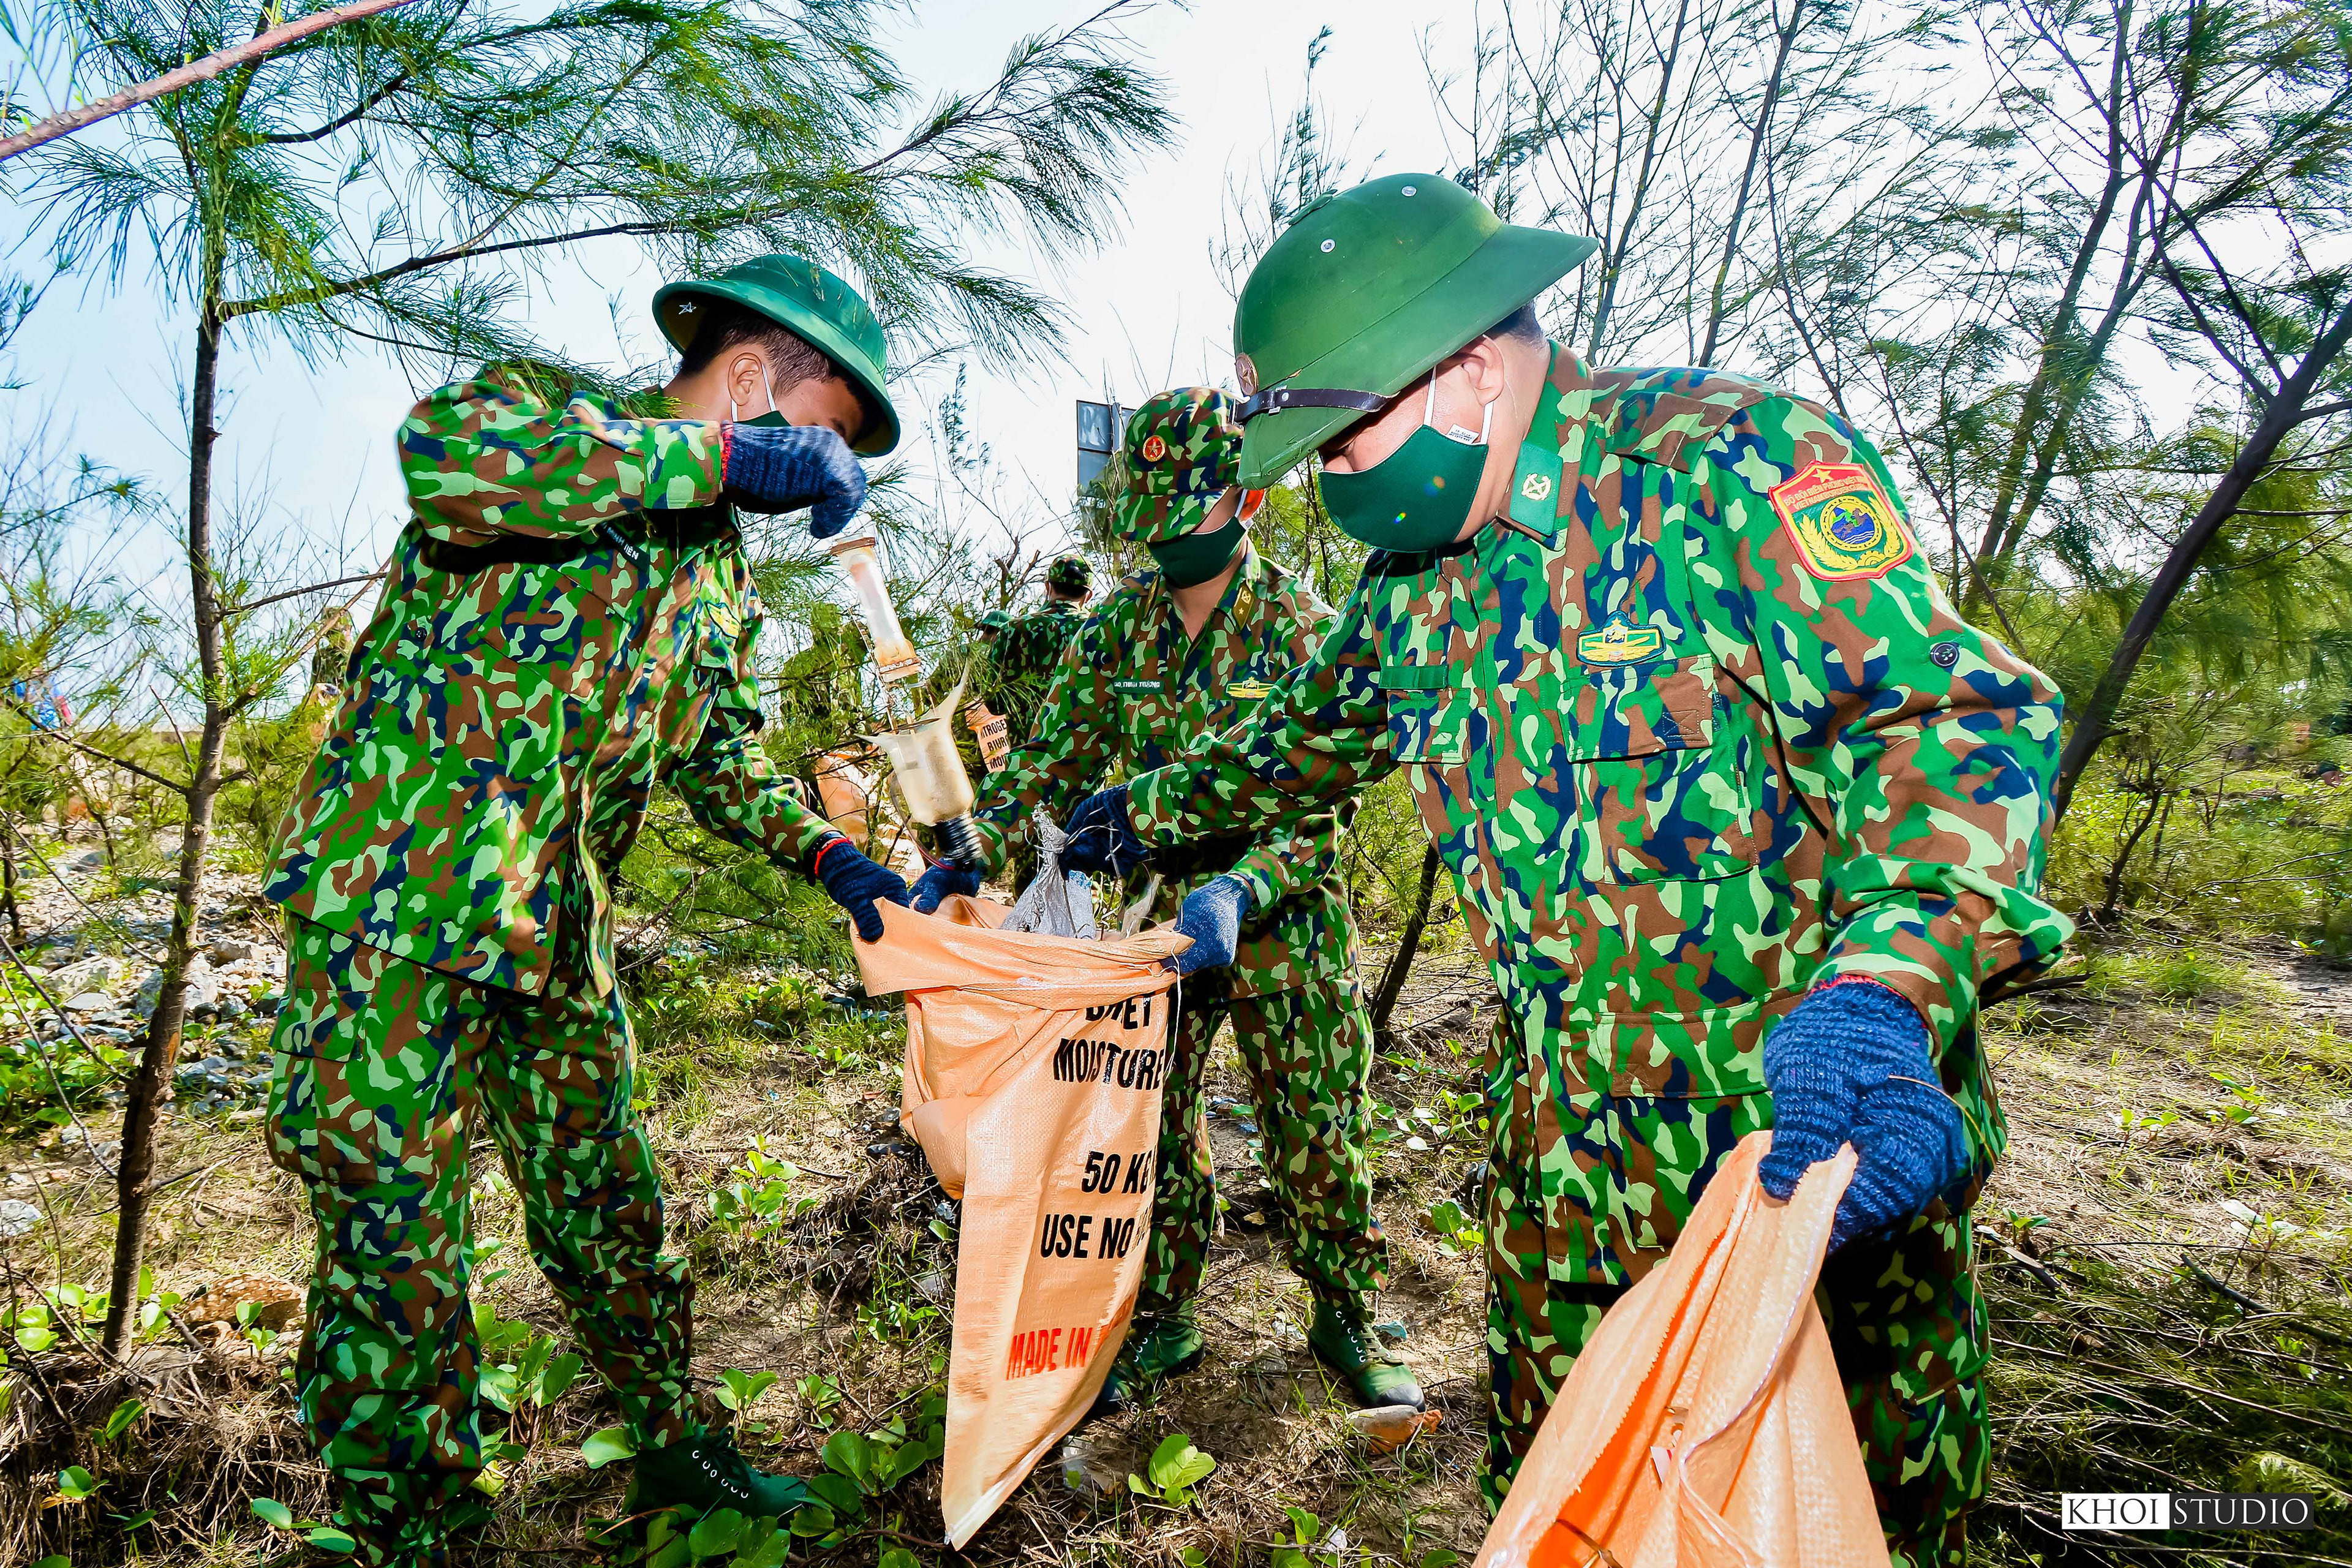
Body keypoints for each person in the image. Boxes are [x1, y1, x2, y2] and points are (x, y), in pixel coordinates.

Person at [1055, 176, 2072, 1567]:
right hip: (1568, 1204)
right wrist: (1142, 807)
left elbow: (1946, 725)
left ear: (1470, 365)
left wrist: (1886, 994)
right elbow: (1299, 739)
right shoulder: (1411, 583)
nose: (1332, 485)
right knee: (1568, 1531)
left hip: (1807, 1181)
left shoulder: (1721, 466)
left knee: (1835, 1534)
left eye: (1341, 440)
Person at [260, 254, 913, 1567]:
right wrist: (714, 459)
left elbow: (719, 757)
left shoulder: (714, 572)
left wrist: (834, 860)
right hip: (397, 906)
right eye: (825, 433)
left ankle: (670, 1437)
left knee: (611, 1207)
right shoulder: (546, 425)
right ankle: (414, 1527)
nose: (824, 472)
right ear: (750, 379)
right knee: (395, 1243)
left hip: (555, 930)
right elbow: (444, 465)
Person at [911, 389, 1420, 1416]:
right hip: (1149, 928)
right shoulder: (1116, 631)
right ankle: (1165, 1310)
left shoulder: (1302, 628)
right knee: (1150, 1126)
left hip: (1282, 922)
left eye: (1182, 513)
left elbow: (1321, 797)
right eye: (1145, 519)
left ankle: (1344, 1308)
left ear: (1246, 496)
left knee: (1318, 1125)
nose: (1161, 539)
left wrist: (1245, 883)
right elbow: (1048, 763)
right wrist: (971, 850)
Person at [984, 552, 1095, 741]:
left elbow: (993, 702)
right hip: (1087, 749)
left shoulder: (1013, 629)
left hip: (1028, 751)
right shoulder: (1099, 629)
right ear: (1088, 595)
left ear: (1048, 587)